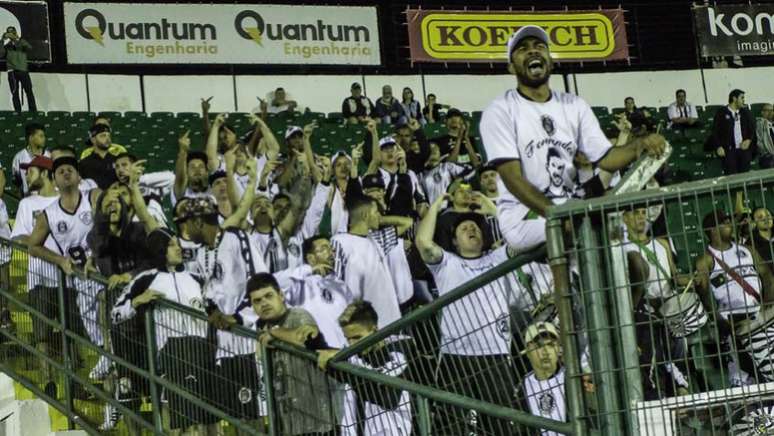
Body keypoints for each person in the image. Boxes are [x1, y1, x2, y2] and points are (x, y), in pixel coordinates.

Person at [479, 25, 665, 253]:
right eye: (522, 49)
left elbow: (606, 158)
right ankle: (562, 288)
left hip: (571, 209)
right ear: (511, 67)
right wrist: (557, 215)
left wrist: (640, 143)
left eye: (539, 46)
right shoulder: (500, 110)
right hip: (524, 215)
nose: (533, 51)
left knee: (635, 264)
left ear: (551, 60)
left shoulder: (573, 105)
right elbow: (513, 180)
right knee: (572, 228)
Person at [416, 194, 522, 435]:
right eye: (464, 228)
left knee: (501, 428)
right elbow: (423, 242)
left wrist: (494, 210)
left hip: (494, 355)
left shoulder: (498, 257)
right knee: (451, 429)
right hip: (456, 356)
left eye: (475, 226)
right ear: (454, 241)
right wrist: (436, 206)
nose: (471, 229)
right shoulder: (446, 263)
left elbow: (520, 240)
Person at [111, 229, 218, 435]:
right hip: (170, 355)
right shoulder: (145, 279)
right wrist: (136, 302)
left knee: (207, 419)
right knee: (176, 423)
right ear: (159, 249)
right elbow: (115, 314)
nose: (179, 248)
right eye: (172, 245)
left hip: (202, 353)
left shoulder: (196, 278)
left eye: (178, 244)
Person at [26, 157, 103, 396]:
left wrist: (99, 252)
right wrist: (60, 260)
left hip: (100, 276)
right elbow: (33, 246)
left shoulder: (93, 198)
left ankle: (101, 374)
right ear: (54, 180)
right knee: (70, 331)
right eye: (60, 171)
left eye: (70, 170)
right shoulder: (49, 214)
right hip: (74, 282)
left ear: (79, 177)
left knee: (97, 329)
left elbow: (112, 223)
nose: (66, 174)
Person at [248, 272, 335, 435]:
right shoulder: (262, 330)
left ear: (281, 295)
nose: (264, 303)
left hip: (318, 424)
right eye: (257, 301)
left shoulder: (297, 315)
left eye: (268, 296)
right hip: (289, 425)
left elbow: (307, 338)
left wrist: (275, 333)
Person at [317, 301, 418, 436]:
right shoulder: (349, 355)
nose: (352, 344)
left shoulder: (399, 347)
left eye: (357, 338)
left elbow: (385, 396)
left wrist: (344, 362)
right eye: (348, 339)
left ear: (375, 330)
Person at [331, 196, 402, 327]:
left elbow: (407, 223)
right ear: (365, 214)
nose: (379, 216)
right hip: (368, 330)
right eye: (376, 212)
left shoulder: (375, 240)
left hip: (393, 323)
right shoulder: (340, 241)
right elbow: (335, 286)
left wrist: (378, 219)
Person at [516, 322, 566, 436]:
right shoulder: (523, 385)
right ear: (527, 351)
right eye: (539, 346)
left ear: (558, 349)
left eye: (551, 345)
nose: (546, 352)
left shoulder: (572, 379)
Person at [711, 89, 756, 175]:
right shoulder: (722, 112)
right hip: (728, 151)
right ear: (734, 98)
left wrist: (749, 140)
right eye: (742, 98)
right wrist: (718, 146)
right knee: (732, 176)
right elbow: (715, 131)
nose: (744, 100)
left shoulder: (746, 112)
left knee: (745, 175)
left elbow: (752, 129)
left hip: (743, 150)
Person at [79, 123, 126, 189]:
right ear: (93, 140)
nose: (107, 138)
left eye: (108, 136)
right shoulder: (83, 164)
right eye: (103, 136)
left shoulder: (117, 161)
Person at [0, 26, 36, 112]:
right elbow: (1, 54)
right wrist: (2, 40)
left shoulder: (22, 42)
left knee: (29, 91)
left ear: (16, 32)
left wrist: (17, 39)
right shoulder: (7, 46)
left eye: (12, 32)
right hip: (12, 71)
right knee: (14, 93)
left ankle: (33, 111)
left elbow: (30, 49)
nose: (11, 34)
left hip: (23, 70)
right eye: (9, 32)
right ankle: (18, 112)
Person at [12, 123, 49, 196]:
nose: (44, 139)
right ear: (31, 138)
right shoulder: (19, 158)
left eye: (44, 136)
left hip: (47, 199)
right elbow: (17, 185)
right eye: (41, 136)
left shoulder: (49, 156)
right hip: (28, 200)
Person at [755, 103, 774, 169]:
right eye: (768, 110)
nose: (771, 112)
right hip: (767, 155)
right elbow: (758, 142)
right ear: (762, 112)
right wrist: (768, 152)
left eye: (772, 110)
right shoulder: (759, 124)